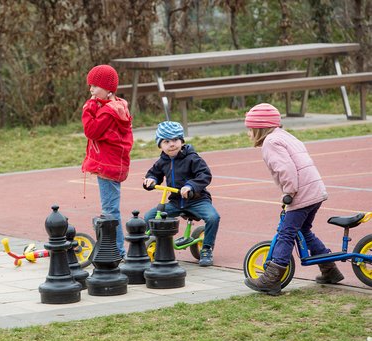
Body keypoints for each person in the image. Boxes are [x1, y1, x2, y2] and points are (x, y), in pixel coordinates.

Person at [243, 103, 344, 295]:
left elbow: (286, 169)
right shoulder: (286, 136)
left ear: (259, 129)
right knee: (304, 230)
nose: (249, 134)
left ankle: (272, 278)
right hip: (314, 191)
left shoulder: (270, 143)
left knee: (286, 233)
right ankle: (330, 270)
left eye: (250, 130)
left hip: (301, 193)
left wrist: (289, 192)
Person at [143, 121, 220, 267]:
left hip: (197, 200)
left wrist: (191, 186)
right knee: (149, 217)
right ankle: (155, 244)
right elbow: (154, 173)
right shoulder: (162, 161)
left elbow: (204, 175)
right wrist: (150, 180)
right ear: (160, 145)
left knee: (213, 217)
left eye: (175, 140)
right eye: (166, 141)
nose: (172, 144)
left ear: (182, 141)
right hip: (176, 202)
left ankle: (207, 249)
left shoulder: (192, 158)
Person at [82, 64, 133, 258]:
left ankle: (118, 251)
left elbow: (91, 131)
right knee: (110, 209)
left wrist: (88, 109)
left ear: (108, 89)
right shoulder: (115, 106)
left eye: (95, 86)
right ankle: (116, 248)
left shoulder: (108, 112)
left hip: (107, 166)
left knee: (110, 211)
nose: (91, 90)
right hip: (111, 164)